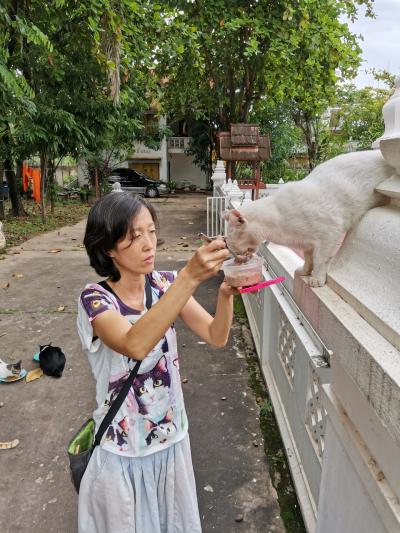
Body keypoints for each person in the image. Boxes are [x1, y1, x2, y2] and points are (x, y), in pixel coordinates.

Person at [77, 191, 238, 533]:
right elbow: (133, 344)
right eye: (135, 236)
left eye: (151, 231)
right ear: (108, 247)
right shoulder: (95, 299)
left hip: (170, 441)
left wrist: (225, 295)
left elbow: (216, 335)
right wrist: (189, 277)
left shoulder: (165, 284)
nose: (148, 243)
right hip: (123, 450)